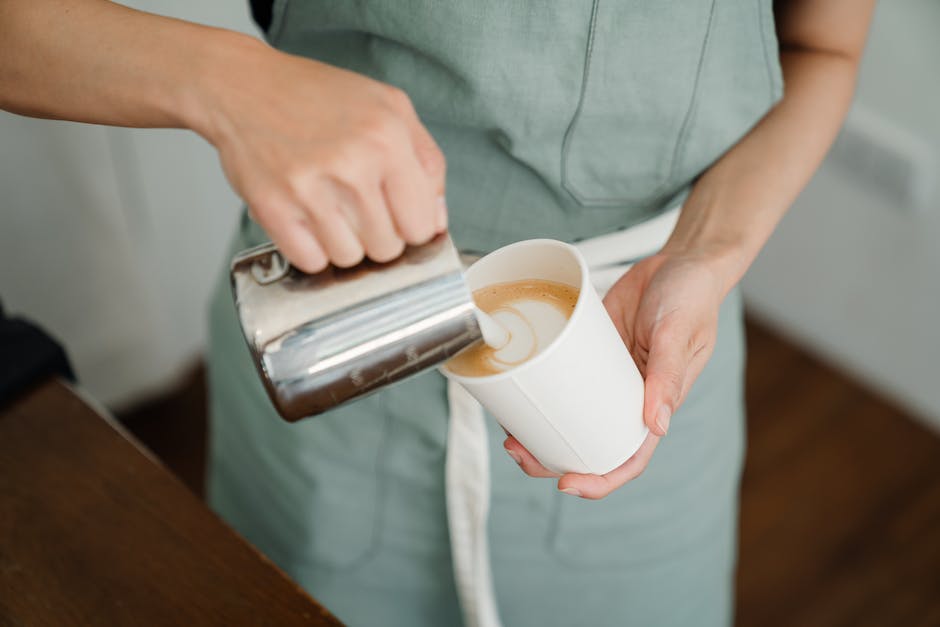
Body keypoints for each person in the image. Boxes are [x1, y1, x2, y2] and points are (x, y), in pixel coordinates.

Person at [0, 1, 875, 624]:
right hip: (329, 342)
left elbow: (823, 47)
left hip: (636, 349)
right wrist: (227, 79)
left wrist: (703, 255)